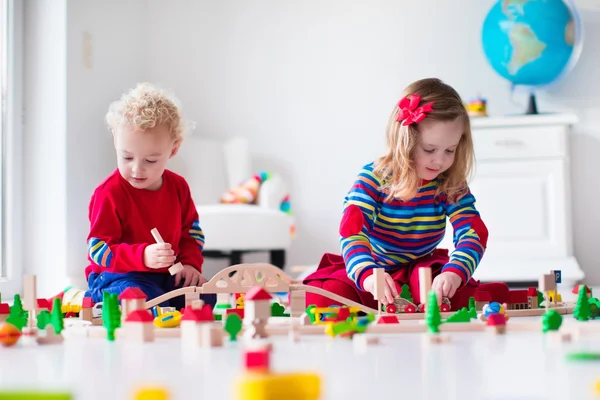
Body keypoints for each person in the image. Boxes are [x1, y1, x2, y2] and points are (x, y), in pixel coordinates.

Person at [303, 78, 508, 311]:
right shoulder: (374, 178)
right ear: (405, 141)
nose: (440, 161)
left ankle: (470, 294)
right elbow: (352, 232)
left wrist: (454, 273)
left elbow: (473, 231)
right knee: (323, 299)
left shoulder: (450, 183)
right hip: (374, 267)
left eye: (450, 150)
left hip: (422, 269)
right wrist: (368, 276)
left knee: (439, 295)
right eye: (429, 149)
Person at [61, 82, 215, 311]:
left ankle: (161, 304)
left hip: (165, 278)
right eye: (127, 157)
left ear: (173, 150)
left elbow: (191, 234)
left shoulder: (179, 187)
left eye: (150, 160)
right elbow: (99, 250)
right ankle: (89, 298)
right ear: (116, 141)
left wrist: (190, 265)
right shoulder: (110, 193)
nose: (136, 169)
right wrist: (142, 256)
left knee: (204, 297)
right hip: (119, 276)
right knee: (139, 298)